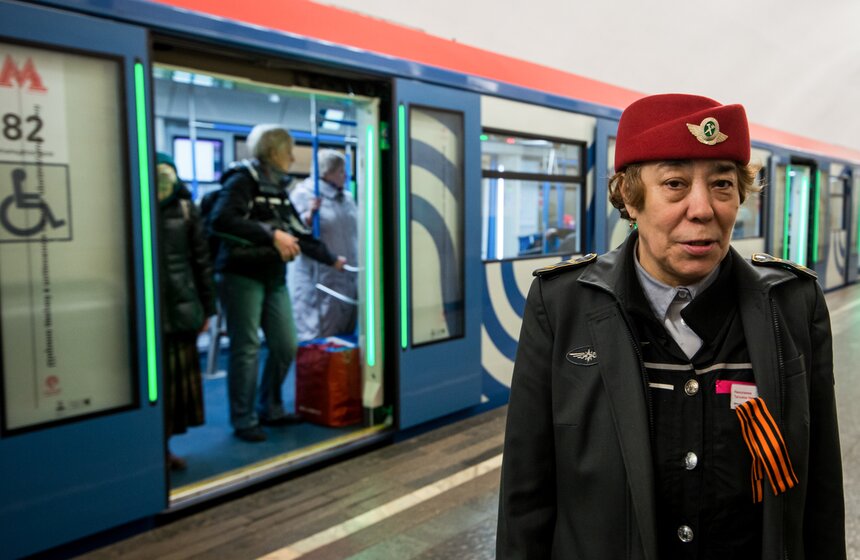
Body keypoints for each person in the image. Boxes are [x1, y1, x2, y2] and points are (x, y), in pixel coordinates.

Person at [496, 94, 845, 559]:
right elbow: (527, 494)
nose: (703, 209)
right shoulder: (562, 306)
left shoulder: (793, 305)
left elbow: (820, 491)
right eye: (676, 184)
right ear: (629, 199)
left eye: (722, 184)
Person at [210, 125, 346, 442]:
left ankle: (270, 406)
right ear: (273, 153)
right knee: (246, 348)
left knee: (286, 343)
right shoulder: (241, 181)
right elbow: (222, 220)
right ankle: (244, 419)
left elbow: (297, 232)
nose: (292, 157)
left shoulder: (277, 188)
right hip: (240, 274)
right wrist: (271, 235)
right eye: (288, 151)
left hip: (273, 276)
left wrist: (330, 259)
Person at [155, 152, 217, 469]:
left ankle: (163, 448)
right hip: (155, 313)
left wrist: (207, 308)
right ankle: (154, 449)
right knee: (156, 385)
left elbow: (201, 262)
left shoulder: (186, 209)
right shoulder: (134, 205)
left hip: (181, 309)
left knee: (175, 389)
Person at [290, 149, 358, 341]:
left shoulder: (347, 198)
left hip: (347, 274)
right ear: (326, 172)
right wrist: (310, 216)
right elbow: (296, 232)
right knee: (318, 337)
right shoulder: (304, 195)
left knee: (345, 337)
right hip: (319, 275)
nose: (345, 176)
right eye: (340, 171)